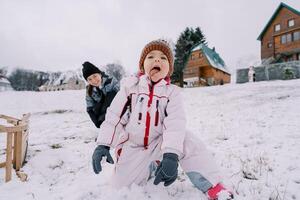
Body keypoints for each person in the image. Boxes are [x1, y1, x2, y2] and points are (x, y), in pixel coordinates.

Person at [91, 40, 234, 200]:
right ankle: (151, 166)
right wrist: (103, 144)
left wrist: (171, 155)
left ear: (169, 69)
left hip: (160, 143)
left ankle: (213, 186)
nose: (157, 60)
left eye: (163, 58)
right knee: (120, 186)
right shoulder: (129, 89)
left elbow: (175, 124)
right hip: (133, 147)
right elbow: (114, 118)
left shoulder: (172, 93)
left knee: (187, 140)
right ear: (143, 65)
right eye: (151, 57)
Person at [82, 61, 119, 128]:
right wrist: (96, 122)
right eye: (89, 79)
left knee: (112, 94)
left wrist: (103, 117)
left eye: (95, 76)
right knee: (96, 107)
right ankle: (103, 124)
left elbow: (120, 97)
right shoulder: (89, 90)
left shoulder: (111, 81)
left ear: (100, 74)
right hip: (102, 116)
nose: (93, 80)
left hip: (116, 111)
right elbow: (89, 108)